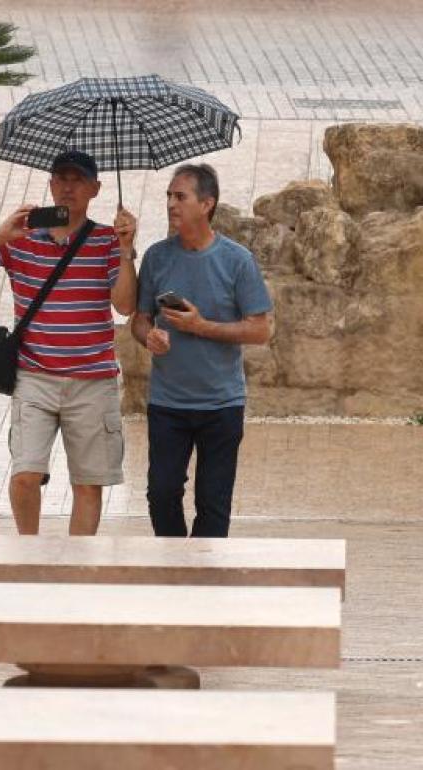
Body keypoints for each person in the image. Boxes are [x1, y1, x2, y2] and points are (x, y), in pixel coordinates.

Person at [0, 150, 137, 536]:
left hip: (93, 379)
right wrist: (0, 236)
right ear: (51, 185)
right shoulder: (22, 239)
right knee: (25, 474)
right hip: (35, 377)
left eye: (78, 180)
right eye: (61, 179)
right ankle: (29, 555)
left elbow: (125, 304)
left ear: (96, 189)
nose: (68, 187)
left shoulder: (106, 240)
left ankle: (76, 568)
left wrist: (124, 250)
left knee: (88, 483)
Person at [130, 164, 272, 537]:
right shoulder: (156, 257)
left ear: (206, 204)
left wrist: (200, 326)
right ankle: (174, 570)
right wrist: (148, 337)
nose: (171, 204)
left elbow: (261, 329)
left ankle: (206, 581)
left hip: (221, 405)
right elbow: (139, 319)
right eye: (168, 196)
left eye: (181, 197)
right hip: (167, 403)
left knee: (213, 503)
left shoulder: (237, 261)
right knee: (160, 494)